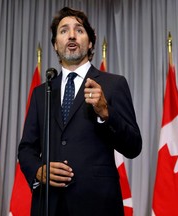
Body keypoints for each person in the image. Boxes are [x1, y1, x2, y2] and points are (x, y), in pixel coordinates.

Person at [18, 7, 142, 216]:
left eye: (79, 30)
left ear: (90, 42)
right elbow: (26, 149)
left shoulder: (114, 84)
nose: (72, 35)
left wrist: (106, 113)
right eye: (64, 30)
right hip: (49, 204)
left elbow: (133, 146)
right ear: (56, 45)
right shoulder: (42, 92)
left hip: (98, 203)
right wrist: (38, 170)